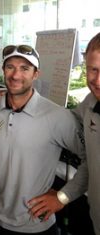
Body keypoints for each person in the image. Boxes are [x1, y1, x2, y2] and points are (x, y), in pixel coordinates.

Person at [0, 44, 85, 234]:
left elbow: (93, 159)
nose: (16, 75)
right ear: (3, 70)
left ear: (36, 74)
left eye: (25, 68)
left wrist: (62, 197)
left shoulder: (58, 116)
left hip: (34, 223)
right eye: (10, 67)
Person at [29, 33, 100, 235]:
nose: (97, 80)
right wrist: (25, 102)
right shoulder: (90, 103)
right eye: (93, 70)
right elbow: (91, 164)